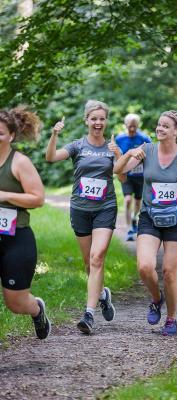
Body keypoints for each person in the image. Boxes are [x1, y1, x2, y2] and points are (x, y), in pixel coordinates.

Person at [114, 110, 177, 336]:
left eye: (166, 126)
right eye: (158, 125)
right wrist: (127, 154)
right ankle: (157, 298)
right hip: (149, 216)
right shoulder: (146, 150)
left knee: (169, 272)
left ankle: (172, 319)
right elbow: (119, 172)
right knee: (145, 267)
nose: (160, 129)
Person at [46, 100, 123, 335]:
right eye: (94, 119)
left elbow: (123, 177)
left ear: (106, 121)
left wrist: (119, 155)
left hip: (105, 208)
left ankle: (88, 314)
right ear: (86, 120)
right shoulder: (77, 146)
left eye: (102, 119)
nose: (98, 123)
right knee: (89, 263)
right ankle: (102, 295)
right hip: (80, 209)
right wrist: (54, 135)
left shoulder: (111, 148)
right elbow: (50, 157)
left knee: (97, 257)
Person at [0, 106, 51, 339]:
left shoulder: (19, 162)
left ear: (11, 135)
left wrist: (5, 195)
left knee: (16, 303)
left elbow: (38, 198)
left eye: (0, 133)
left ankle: (37, 309)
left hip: (16, 238)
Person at [115, 114, 151, 241]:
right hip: (127, 175)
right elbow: (116, 157)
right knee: (128, 200)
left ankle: (135, 217)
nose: (132, 129)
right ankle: (129, 228)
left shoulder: (144, 138)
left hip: (140, 176)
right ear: (125, 125)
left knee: (137, 201)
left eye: (134, 126)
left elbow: (151, 154)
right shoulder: (120, 139)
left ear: (138, 126)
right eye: (130, 126)